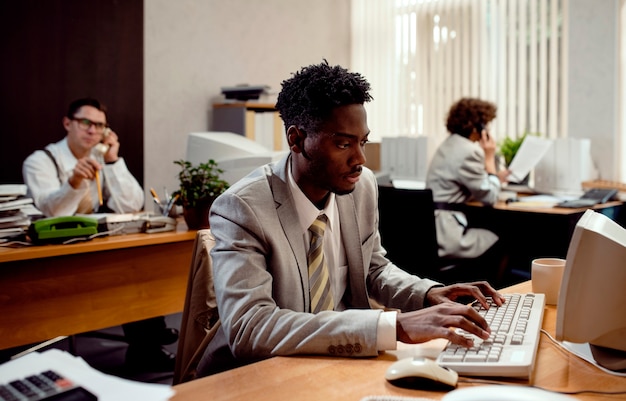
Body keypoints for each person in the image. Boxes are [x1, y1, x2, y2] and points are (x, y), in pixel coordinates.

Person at [196, 60, 505, 377]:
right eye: (343, 144)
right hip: (255, 375)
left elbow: (374, 269)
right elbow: (250, 326)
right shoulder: (242, 208)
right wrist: (392, 325)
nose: (360, 160)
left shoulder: (362, 187)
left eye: (363, 142)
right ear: (297, 139)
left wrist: (426, 293)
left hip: (334, 364)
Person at [22, 97, 178, 371]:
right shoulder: (40, 161)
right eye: (86, 123)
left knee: (136, 261)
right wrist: (74, 182)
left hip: (92, 249)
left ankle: (146, 345)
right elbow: (52, 214)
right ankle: (150, 336)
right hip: (49, 258)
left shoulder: (99, 158)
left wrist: (113, 160)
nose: (93, 131)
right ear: (68, 123)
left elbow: (131, 204)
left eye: (101, 126)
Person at [425, 97, 511, 283]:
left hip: (433, 229)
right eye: (486, 125)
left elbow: (468, 184)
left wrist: (494, 176)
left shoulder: (449, 145)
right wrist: (489, 159)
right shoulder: (469, 151)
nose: (488, 130)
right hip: (449, 235)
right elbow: (490, 197)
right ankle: (496, 294)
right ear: (477, 127)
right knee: (506, 236)